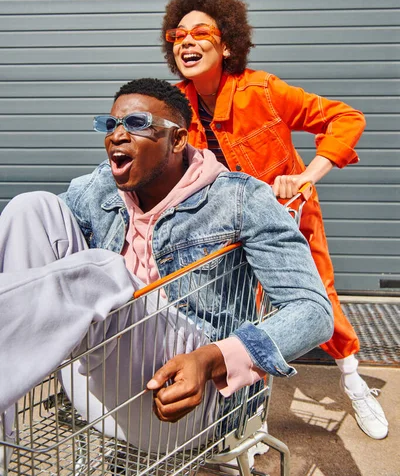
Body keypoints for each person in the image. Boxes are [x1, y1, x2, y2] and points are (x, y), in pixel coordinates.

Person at [0, 79, 333, 470]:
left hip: (188, 395)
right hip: (94, 381)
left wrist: (211, 359)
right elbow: (38, 247)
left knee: (104, 271)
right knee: (30, 207)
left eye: (136, 123)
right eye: (110, 125)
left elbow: (314, 312)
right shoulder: (99, 187)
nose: (116, 135)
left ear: (177, 140)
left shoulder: (241, 199)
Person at [161, 0, 389, 440]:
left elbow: (345, 118)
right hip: (224, 232)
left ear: (225, 45)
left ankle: (351, 379)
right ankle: (251, 416)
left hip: (289, 219)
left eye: (200, 32)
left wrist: (308, 177)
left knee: (320, 300)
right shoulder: (174, 104)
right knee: (242, 313)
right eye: (177, 35)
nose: (186, 41)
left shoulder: (262, 91)